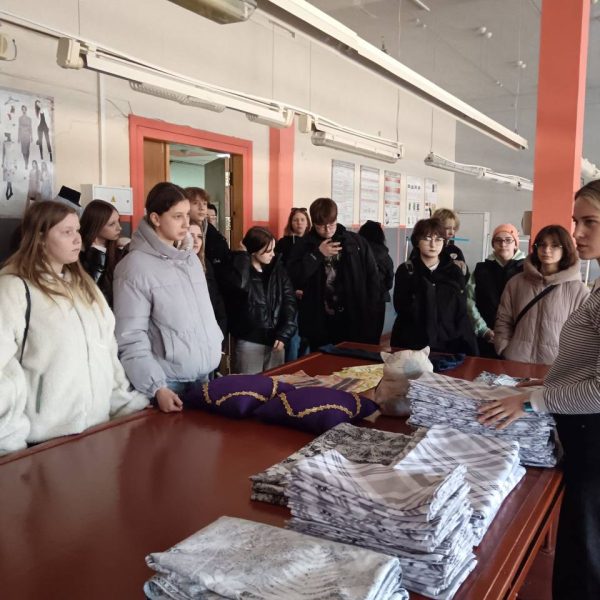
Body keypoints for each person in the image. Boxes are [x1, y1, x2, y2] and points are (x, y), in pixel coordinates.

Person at [479, 180, 600, 599]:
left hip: (594, 440)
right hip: (581, 433)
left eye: (590, 222)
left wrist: (534, 401)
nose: (577, 232)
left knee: (586, 554)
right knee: (580, 544)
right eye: (576, 221)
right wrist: (547, 383)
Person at [0, 201, 148, 454]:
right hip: (44, 441)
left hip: (97, 431)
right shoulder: (14, 288)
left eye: (77, 230)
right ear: (40, 238)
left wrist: (124, 405)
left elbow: (107, 352)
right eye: (66, 232)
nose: (77, 239)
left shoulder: (84, 286)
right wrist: (9, 439)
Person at [113, 182, 223, 413]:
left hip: (204, 375)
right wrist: (156, 387)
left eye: (187, 215)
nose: (186, 223)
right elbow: (131, 337)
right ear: (155, 218)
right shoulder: (134, 267)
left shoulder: (190, 258)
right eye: (177, 216)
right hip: (169, 384)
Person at [287, 197, 380, 349]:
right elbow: (293, 277)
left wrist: (370, 311)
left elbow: (373, 278)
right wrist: (317, 254)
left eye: (331, 224)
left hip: (353, 317)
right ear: (313, 223)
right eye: (321, 226)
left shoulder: (356, 242)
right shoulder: (303, 245)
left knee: (351, 358)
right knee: (322, 360)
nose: (327, 229)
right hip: (319, 320)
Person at [494, 224, 588, 365]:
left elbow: (584, 334)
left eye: (555, 245)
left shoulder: (578, 291)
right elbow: (503, 320)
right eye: (542, 244)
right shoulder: (516, 283)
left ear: (566, 249)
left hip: (555, 367)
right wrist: (504, 348)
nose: (546, 250)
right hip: (516, 361)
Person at [391, 217, 478, 355]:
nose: (433, 245)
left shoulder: (454, 271)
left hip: (448, 344)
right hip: (413, 343)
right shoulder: (407, 270)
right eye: (427, 239)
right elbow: (401, 307)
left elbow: (460, 309)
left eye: (438, 239)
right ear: (417, 241)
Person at [220, 226, 296, 374]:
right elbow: (239, 286)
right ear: (253, 251)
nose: (272, 254)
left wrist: (285, 332)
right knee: (249, 385)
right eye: (268, 251)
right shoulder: (238, 267)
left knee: (275, 384)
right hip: (249, 340)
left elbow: (289, 302)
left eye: (273, 249)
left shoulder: (277, 269)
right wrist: (242, 256)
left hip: (276, 340)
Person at [466, 223, 526, 357]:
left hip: (517, 339)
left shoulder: (526, 270)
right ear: (493, 244)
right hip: (485, 337)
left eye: (508, 240)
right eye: (498, 240)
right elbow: (469, 300)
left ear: (515, 244)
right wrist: (483, 330)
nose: (503, 244)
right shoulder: (481, 269)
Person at [275, 207, 311, 361]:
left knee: (308, 337)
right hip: (291, 296)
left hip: (309, 297)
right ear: (291, 223)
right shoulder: (283, 243)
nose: (299, 223)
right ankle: (291, 367)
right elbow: (281, 271)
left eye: (302, 219)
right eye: (296, 220)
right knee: (294, 338)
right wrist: (293, 290)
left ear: (307, 222)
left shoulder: (313, 243)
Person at [79, 200, 124, 307]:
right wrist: (98, 252)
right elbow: (90, 291)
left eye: (118, 221)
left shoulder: (120, 252)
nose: (119, 228)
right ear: (95, 225)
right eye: (112, 224)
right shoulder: (78, 255)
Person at [188, 219, 227, 337]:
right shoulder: (172, 266)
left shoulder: (206, 264)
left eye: (199, 237)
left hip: (209, 332)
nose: (196, 241)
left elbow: (216, 300)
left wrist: (220, 333)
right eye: (191, 236)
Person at [358, 220, 394, 342]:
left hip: (358, 299)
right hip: (379, 299)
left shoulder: (357, 252)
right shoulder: (385, 255)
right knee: (374, 336)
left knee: (357, 337)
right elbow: (389, 281)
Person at [184, 187, 229, 269]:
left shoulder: (212, 232)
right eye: (195, 203)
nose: (202, 208)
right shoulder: (177, 230)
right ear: (184, 205)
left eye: (204, 203)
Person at [432, 207, 467, 273]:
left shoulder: (456, 250)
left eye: (454, 228)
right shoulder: (427, 248)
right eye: (447, 228)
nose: (452, 233)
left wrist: (463, 267)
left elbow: (465, 275)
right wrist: (450, 264)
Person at [17, 105, 32, 169]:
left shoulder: (29, 119)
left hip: (27, 135)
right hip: (22, 136)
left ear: (26, 110)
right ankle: (25, 161)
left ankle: (26, 162)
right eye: (22, 109)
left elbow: (30, 128)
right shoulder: (20, 118)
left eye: (24, 109)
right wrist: (18, 137)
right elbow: (19, 128)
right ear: (22, 110)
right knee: (23, 151)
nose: (24, 110)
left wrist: (32, 137)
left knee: (27, 150)